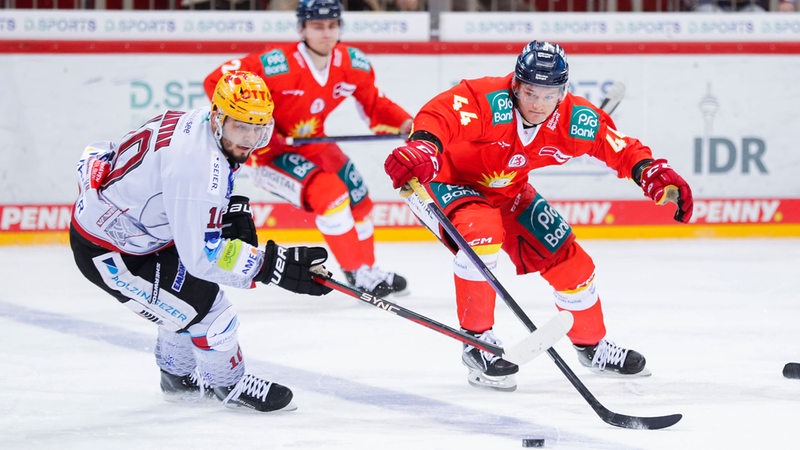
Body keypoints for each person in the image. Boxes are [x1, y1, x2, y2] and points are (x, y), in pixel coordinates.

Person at [384, 41, 694, 392]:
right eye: (531, 92)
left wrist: (649, 171)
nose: (539, 104)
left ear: (562, 93)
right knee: (482, 232)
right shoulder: (486, 99)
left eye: (550, 95)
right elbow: (441, 115)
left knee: (572, 263)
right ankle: (478, 342)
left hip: (510, 192)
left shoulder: (573, 119)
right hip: (450, 184)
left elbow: (617, 146)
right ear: (516, 85)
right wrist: (424, 146)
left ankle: (592, 347)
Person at [70, 71, 333, 412]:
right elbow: (203, 258)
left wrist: (227, 210)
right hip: (113, 253)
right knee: (210, 311)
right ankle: (229, 384)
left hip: (143, 231)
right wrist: (273, 266)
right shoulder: (196, 168)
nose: (250, 138)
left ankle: (177, 377)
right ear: (220, 117)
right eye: (241, 126)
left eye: (258, 128)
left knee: (183, 304)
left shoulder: (200, 125)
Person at [203, 0, 413, 298]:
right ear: (302, 28)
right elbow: (217, 80)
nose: (325, 33)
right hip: (271, 154)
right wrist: (260, 127)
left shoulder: (351, 63)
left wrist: (405, 123)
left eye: (332, 25)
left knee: (359, 199)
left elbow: (376, 104)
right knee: (331, 196)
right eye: (317, 26)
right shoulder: (277, 62)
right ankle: (356, 272)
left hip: (313, 143)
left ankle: (366, 269)